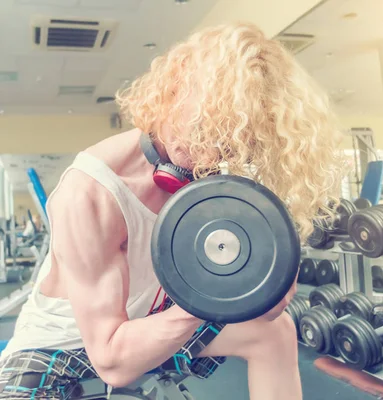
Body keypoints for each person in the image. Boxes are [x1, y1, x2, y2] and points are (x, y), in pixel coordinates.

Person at [0, 22, 343, 399]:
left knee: (274, 331)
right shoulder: (92, 191)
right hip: (61, 348)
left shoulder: (212, 179)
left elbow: (263, 310)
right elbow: (111, 362)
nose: (210, 155)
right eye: (204, 129)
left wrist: (263, 288)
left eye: (228, 144)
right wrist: (212, 296)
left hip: (147, 323)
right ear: (174, 89)